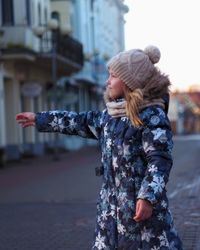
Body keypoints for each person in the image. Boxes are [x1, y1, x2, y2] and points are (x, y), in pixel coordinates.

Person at [16, 45, 183, 249]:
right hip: (109, 216)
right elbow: (80, 121)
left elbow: (159, 160)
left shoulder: (151, 116)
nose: (107, 81)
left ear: (130, 81)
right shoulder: (110, 116)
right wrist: (40, 119)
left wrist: (147, 197)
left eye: (113, 76)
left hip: (142, 218)